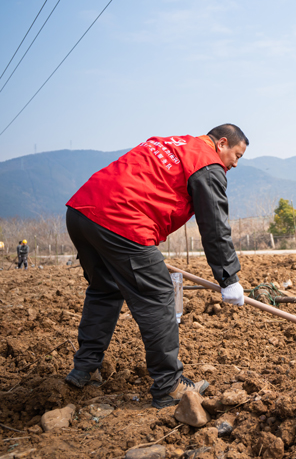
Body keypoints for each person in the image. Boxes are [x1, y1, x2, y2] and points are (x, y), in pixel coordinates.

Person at [64, 124, 249, 408]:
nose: (236, 163)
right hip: (122, 221)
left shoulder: (171, 143)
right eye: (236, 155)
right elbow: (214, 225)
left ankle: (84, 369)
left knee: (105, 290)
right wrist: (228, 278)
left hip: (82, 212)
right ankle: (169, 385)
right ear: (222, 143)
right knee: (159, 296)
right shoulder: (207, 162)